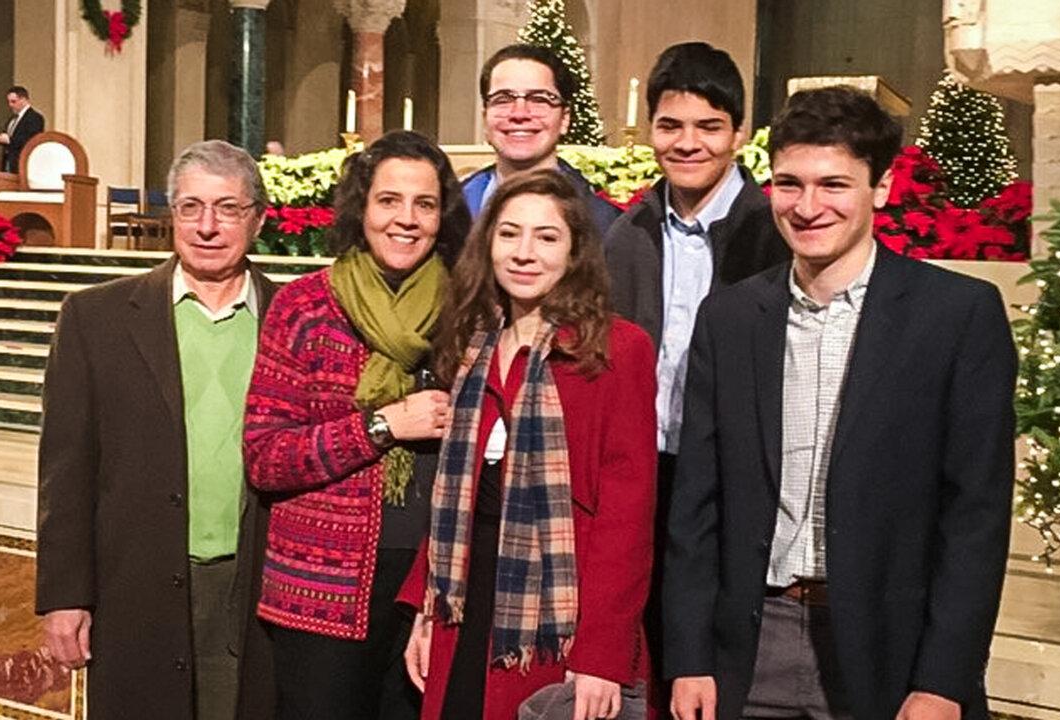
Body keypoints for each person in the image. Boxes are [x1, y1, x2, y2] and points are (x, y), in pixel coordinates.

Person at [663, 86, 1017, 720]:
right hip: (753, 643)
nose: (807, 206)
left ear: (879, 188)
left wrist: (944, 680)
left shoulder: (957, 316)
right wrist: (690, 656)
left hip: (891, 652)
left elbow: (976, 519)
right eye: (789, 184)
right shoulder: (731, 318)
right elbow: (697, 503)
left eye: (833, 185)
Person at [399, 169, 657, 720]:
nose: (524, 252)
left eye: (546, 237)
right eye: (509, 233)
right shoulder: (472, 344)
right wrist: (427, 609)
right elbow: (453, 496)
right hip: (464, 605)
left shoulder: (617, 349)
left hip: (556, 617)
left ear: (574, 252)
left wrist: (602, 657)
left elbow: (627, 519)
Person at [35, 140, 279, 720]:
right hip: (135, 583)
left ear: (260, 218)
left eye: (228, 208)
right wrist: (66, 597)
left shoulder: (292, 319)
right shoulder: (96, 318)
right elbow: (66, 471)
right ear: (173, 214)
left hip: (256, 588)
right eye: (191, 207)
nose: (208, 227)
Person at [243, 130, 471, 720]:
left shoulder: (466, 313)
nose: (406, 219)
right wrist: (382, 425)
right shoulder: (304, 307)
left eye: (424, 204)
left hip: (431, 589)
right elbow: (266, 457)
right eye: (389, 200)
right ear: (361, 209)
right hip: (322, 591)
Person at [602, 41, 788, 703]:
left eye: (709, 127)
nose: (687, 144)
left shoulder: (773, 234)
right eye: (670, 125)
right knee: (650, 657)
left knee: (723, 665)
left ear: (739, 132)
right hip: (649, 471)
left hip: (739, 478)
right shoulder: (626, 235)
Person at [463, 44, 621, 235]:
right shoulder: (450, 211)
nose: (519, 114)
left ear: (564, 119)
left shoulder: (606, 225)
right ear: (485, 118)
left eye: (539, 99)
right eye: (503, 99)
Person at [0, 85, 45, 173]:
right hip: (8, 163)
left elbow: (31, 140)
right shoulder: (12, 119)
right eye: (9, 102)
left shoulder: (35, 118)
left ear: (24, 100)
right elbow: (9, 136)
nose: (10, 105)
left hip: (23, 164)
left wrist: (9, 140)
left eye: (13, 101)